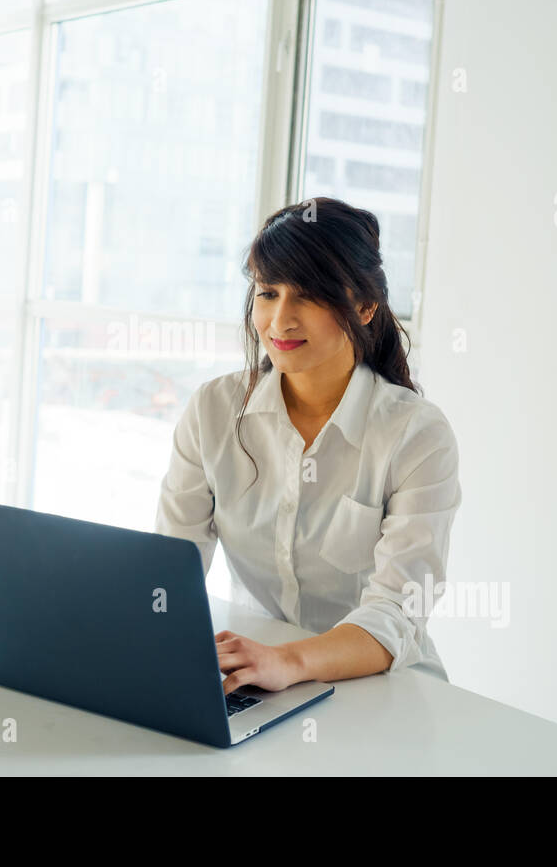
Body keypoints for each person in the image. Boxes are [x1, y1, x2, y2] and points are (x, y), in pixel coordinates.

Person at [155, 197, 461, 692]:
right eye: (268, 293)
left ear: (364, 306)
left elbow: (398, 612)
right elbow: (169, 567)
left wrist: (289, 662)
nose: (280, 322)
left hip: (383, 690)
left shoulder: (417, 436)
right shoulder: (214, 411)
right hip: (257, 676)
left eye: (310, 296)